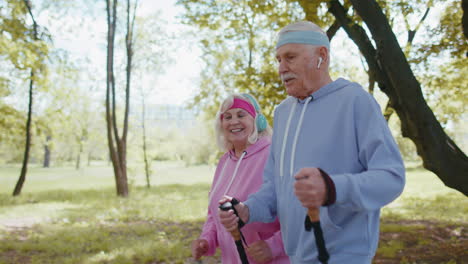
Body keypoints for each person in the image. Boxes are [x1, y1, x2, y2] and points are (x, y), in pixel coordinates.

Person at [219, 21, 406, 264]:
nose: (281, 68)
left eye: (290, 57)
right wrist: (247, 209)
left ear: (322, 56)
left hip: (344, 255)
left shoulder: (355, 101)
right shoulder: (283, 113)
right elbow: (275, 186)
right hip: (294, 256)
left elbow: (391, 177)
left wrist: (332, 188)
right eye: (278, 59)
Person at [191, 93, 290, 263]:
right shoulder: (224, 161)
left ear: (257, 120)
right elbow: (214, 212)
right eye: (227, 117)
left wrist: (274, 245)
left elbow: (296, 214)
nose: (234, 121)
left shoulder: (274, 153)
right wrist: (206, 239)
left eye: (241, 115)